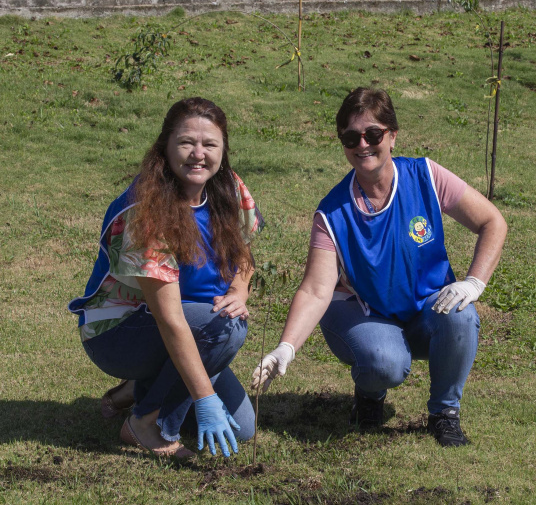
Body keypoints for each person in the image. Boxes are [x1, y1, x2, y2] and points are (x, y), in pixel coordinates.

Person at [251, 87, 506, 447]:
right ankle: (370, 394)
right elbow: (315, 289)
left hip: (425, 309)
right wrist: (285, 348)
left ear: (393, 135)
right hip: (364, 313)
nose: (363, 144)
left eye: (373, 134)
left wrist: (474, 283)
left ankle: (444, 413)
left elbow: (492, 221)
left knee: (461, 315)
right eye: (351, 137)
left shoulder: (425, 176)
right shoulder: (333, 213)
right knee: (384, 363)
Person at [69, 97, 263, 458]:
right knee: (224, 328)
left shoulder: (229, 189)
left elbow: (245, 252)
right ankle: (147, 423)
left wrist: (239, 289)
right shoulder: (147, 213)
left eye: (210, 144)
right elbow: (170, 319)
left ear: (223, 150)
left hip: (196, 325)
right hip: (121, 334)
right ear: (165, 146)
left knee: (245, 426)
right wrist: (204, 397)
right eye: (187, 142)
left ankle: (137, 390)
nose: (198, 154)